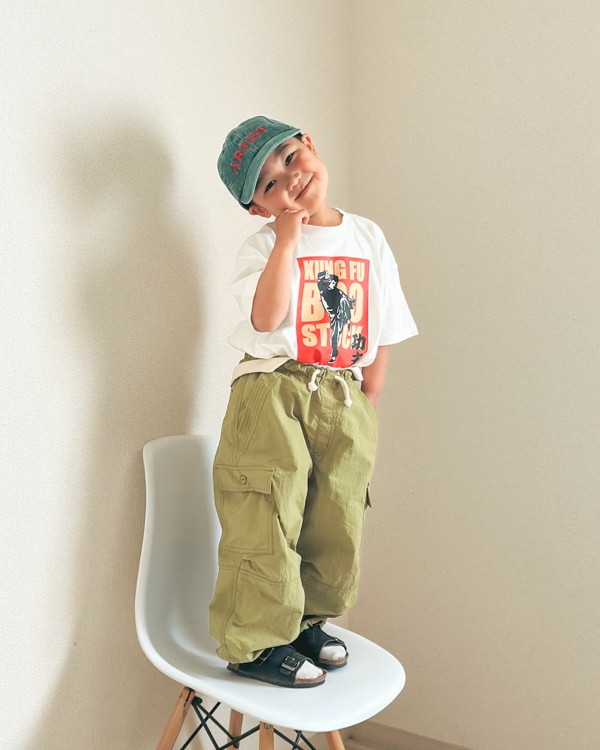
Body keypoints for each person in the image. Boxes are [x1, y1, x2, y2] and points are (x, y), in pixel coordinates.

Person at [209, 116, 417, 688]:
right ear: (258, 208)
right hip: (275, 388)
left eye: (288, 157)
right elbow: (266, 318)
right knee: (267, 512)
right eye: (269, 184)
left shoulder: (367, 236)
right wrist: (287, 241)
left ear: (310, 145)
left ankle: (303, 622)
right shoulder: (263, 245)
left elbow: (385, 320)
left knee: (336, 515)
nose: (289, 179)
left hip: (342, 391)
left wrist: (370, 396)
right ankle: (253, 642)